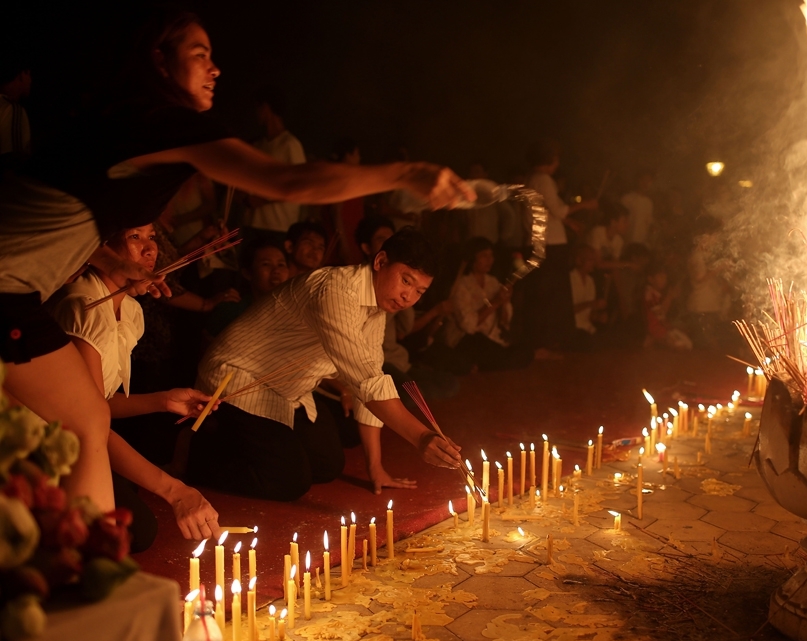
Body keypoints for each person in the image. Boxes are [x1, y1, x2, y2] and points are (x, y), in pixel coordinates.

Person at [0, 7, 473, 529]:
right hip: (6, 292)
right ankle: (85, 572)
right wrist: (408, 173)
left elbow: (69, 220)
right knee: (89, 422)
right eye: (199, 54)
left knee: (85, 422)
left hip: (16, 294)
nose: (215, 69)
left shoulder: (125, 129)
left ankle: (84, 571)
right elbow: (290, 183)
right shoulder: (157, 123)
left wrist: (120, 266)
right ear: (158, 62)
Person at [189, 229, 463, 500]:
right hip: (239, 378)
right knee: (289, 482)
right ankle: (197, 455)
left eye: (419, 291)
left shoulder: (376, 307)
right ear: (380, 262)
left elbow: (370, 378)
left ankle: (246, 442)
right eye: (406, 281)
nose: (409, 297)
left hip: (289, 390)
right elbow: (367, 383)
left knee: (327, 466)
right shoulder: (336, 290)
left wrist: (376, 468)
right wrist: (421, 437)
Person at [46, 223, 219, 550]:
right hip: (47, 441)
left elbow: (99, 403)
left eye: (152, 237)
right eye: (134, 237)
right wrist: (175, 491)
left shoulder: (129, 308)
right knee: (132, 530)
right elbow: (84, 419)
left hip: (79, 431)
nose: (150, 249)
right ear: (104, 248)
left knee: (132, 513)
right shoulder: (82, 305)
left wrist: (165, 401)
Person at [355, 216, 458, 403]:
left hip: (398, 360)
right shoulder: (356, 289)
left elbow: (405, 328)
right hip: (378, 365)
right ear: (370, 251)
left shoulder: (398, 291)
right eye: (381, 239)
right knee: (412, 397)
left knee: (448, 382)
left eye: (419, 290)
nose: (408, 295)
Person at [523, 140, 597, 353]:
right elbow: (559, 209)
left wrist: (569, 223)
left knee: (541, 295)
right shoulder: (544, 179)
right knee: (550, 297)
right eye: (556, 158)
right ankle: (544, 345)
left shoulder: (531, 178)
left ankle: (541, 344)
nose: (557, 163)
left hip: (537, 242)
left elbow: (548, 211)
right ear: (549, 159)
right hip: (550, 245)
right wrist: (586, 204)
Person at [445, 237, 533, 371]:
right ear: (473, 259)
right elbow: (469, 326)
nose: (489, 260)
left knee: (525, 351)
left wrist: (504, 302)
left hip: (492, 340)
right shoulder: (461, 285)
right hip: (467, 340)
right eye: (484, 256)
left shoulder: (493, 282)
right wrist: (495, 302)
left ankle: (485, 364)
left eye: (491, 255)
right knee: (479, 343)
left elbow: (504, 322)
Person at [240, 86, 306, 238]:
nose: (256, 114)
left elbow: (300, 185)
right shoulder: (258, 146)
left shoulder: (289, 144)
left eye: (257, 108)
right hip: (252, 224)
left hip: (278, 226)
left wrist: (264, 199)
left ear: (265, 107)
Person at [204, 237, 289, 339]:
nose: (276, 270)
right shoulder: (231, 312)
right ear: (248, 273)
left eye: (281, 264)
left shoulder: (295, 313)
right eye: (266, 264)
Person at [643, 261, 692, 351]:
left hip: (662, 327)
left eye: (665, 277)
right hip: (655, 328)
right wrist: (670, 297)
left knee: (687, 344)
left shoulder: (658, 294)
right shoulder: (650, 293)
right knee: (680, 346)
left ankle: (655, 340)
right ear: (650, 279)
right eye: (660, 276)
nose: (664, 280)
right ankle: (653, 338)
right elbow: (660, 314)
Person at [570, 244, 606, 344]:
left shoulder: (590, 281)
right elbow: (567, 310)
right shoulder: (570, 279)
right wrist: (592, 304)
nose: (593, 263)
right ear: (579, 260)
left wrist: (598, 317)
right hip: (572, 328)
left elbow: (589, 315)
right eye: (590, 260)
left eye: (594, 260)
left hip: (587, 328)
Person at [0, 57, 31, 170]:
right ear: (22, 75)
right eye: (29, 75)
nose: (31, 80)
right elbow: (13, 162)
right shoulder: (12, 110)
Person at [620, 169, 656, 247]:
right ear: (638, 180)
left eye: (649, 181)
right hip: (626, 241)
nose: (646, 183)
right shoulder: (627, 199)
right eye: (644, 180)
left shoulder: (649, 203)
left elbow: (648, 223)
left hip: (641, 243)